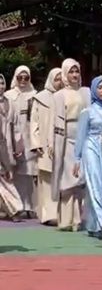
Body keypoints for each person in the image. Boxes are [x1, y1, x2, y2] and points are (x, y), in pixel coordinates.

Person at [49, 59, 91, 231]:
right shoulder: (58, 96)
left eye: (76, 71)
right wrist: (51, 143)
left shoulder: (86, 92)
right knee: (67, 179)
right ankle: (66, 220)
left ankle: (78, 218)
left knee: (80, 178)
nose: (74, 75)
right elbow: (53, 120)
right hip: (65, 139)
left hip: (83, 137)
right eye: (71, 72)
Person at [73, 76, 102, 239]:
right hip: (90, 147)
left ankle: (94, 223)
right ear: (94, 90)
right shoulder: (87, 112)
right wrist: (77, 158)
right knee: (95, 183)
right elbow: (80, 136)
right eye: (100, 88)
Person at [30, 67, 63, 225]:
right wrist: (36, 143)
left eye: (61, 79)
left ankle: (61, 213)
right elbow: (34, 122)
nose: (59, 82)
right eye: (57, 79)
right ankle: (48, 215)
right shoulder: (40, 98)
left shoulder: (65, 96)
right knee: (46, 179)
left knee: (61, 178)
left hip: (61, 143)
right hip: (44, 144)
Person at [6, 65, 37, 217]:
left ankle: (29, 205)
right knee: (15, 172)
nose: (23, 80)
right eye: (20, 77)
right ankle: (16, 206)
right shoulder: (9, 95)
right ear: (15, 78)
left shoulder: (34, 95)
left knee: (29, 173)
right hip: (13, 136)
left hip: (30, 136)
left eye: (26, 77)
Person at [0, 74, 25, 220]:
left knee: (6, 177)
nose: (0, 86)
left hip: (6, 146)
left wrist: (18, 146)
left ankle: (14, 208)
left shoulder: (10, 103)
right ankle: (15, 209)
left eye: (2, 83)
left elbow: (16, 127)